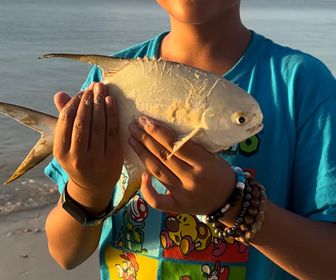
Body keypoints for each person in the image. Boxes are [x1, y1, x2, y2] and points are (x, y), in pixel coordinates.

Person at [44, 1, 336, 279]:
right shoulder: (109, 81)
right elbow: (66, 254)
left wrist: (233, 204)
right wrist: (87, 190)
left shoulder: (300, 85)